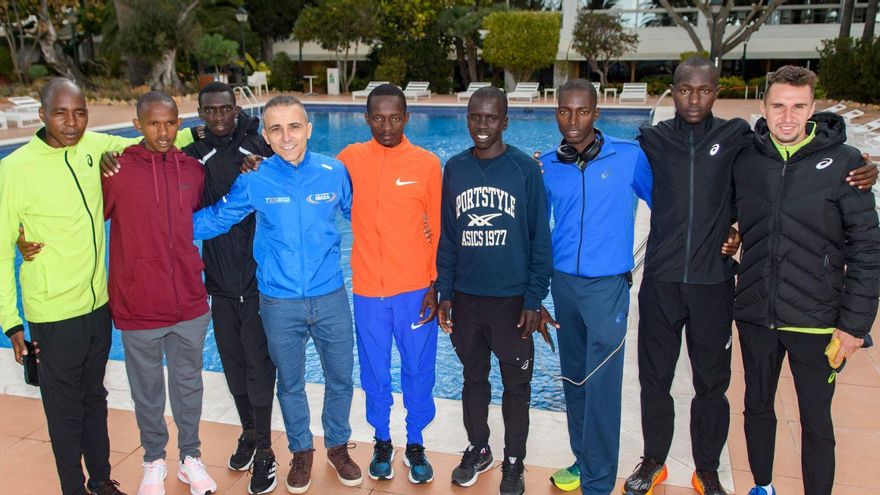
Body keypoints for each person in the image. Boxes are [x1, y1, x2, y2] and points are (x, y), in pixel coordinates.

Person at [623, 58, 878, 495]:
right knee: (654, 380)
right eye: (685, 90)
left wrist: (862, 164)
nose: (694, 98)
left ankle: (706, 468)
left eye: (704, 90)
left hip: (714, 286)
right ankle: (653, 460)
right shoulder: (652, 138)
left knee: (712, 385)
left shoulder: (737, 138)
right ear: (673, 89)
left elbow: (774, 183)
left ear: (717, 92)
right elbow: (600, 149)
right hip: (662, 284)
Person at [0, 78, 194, 495]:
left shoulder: (95, 147)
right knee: (64, 410)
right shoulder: (14, 169)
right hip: (52, 313)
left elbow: (156, 135)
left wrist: (233, 137)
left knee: (96, 399)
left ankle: (102, 481)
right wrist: (12, 325)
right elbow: (0, 251)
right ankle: (74, 487)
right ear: (42, 115)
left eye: (80, 112)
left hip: (97, 306)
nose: (72, 123)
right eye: (61, 113)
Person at [192, 95, 363, 494]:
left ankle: (337, 446)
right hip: (278, 301)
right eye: (276, 129)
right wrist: (161, 226)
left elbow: (365, 217)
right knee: (289, 382)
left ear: (309, 128)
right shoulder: (254, 179)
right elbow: (217, 217)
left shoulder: (333, 171)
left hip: (330, 296)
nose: (287, 136)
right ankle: (302, 451)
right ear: (265, 136)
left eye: (294, 126)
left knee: (340, 377)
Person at [732, 65, 879, 495]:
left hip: (817, 321)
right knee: (756, 407)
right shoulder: (747, 159)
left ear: (813, 108)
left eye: (798, 107)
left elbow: (867, 249)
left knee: (816, 420)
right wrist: (730, 232)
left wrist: (855, 326)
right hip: (758, 313)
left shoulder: (847, 164)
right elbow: (725, 212)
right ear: (764, 107)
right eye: (778, 106)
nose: (788, 117)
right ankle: (762, 486)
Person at [435, 86, 553, 495]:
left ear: (505, 121)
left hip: (512, 303)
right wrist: (445, 293)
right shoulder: (455, 168)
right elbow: (448, 238)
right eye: (475, 117)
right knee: (474, 380)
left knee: (516, 388)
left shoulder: (524, 170)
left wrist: (534, 299)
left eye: (490, 118)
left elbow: (541, 240)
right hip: (467, 300)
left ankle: (515, 461)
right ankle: (479, 447)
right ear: (467, 118)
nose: (482, 125)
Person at [536, 79, 652, 495]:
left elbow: (670, 206)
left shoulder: (630, 157)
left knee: (602, 385)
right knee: (574, 380)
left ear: (596, 112)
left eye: (582, 111)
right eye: (565, 111)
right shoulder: (547, 164)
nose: (573, 120)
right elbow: (536, 231)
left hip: (607, 289)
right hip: (563, 285)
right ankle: (584, 461)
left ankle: (599, 483)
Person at [102, 91, 216, 495]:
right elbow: (81, 213)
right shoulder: (116, 172)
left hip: (188, 301)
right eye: (153, 123)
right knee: (147, 391)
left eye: (170, 123)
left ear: (178, 125)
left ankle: (190, 458)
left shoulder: (192, 171)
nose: (163, 131)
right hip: (139, 304)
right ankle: (153, 460)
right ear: (138, 126)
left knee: (189, 386)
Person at [336, 84, 441, 484]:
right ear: (366, 119)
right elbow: (311, 178)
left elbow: (440, 229)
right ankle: (382, 439)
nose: (386, 126)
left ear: (406, 118)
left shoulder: (427, 164)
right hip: (368, 291)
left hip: (416, 290)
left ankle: (415, 442)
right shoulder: (349, 159)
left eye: (394, 117)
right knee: (375, 371)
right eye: (377, 118)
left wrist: (436, 285)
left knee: (418, 369)